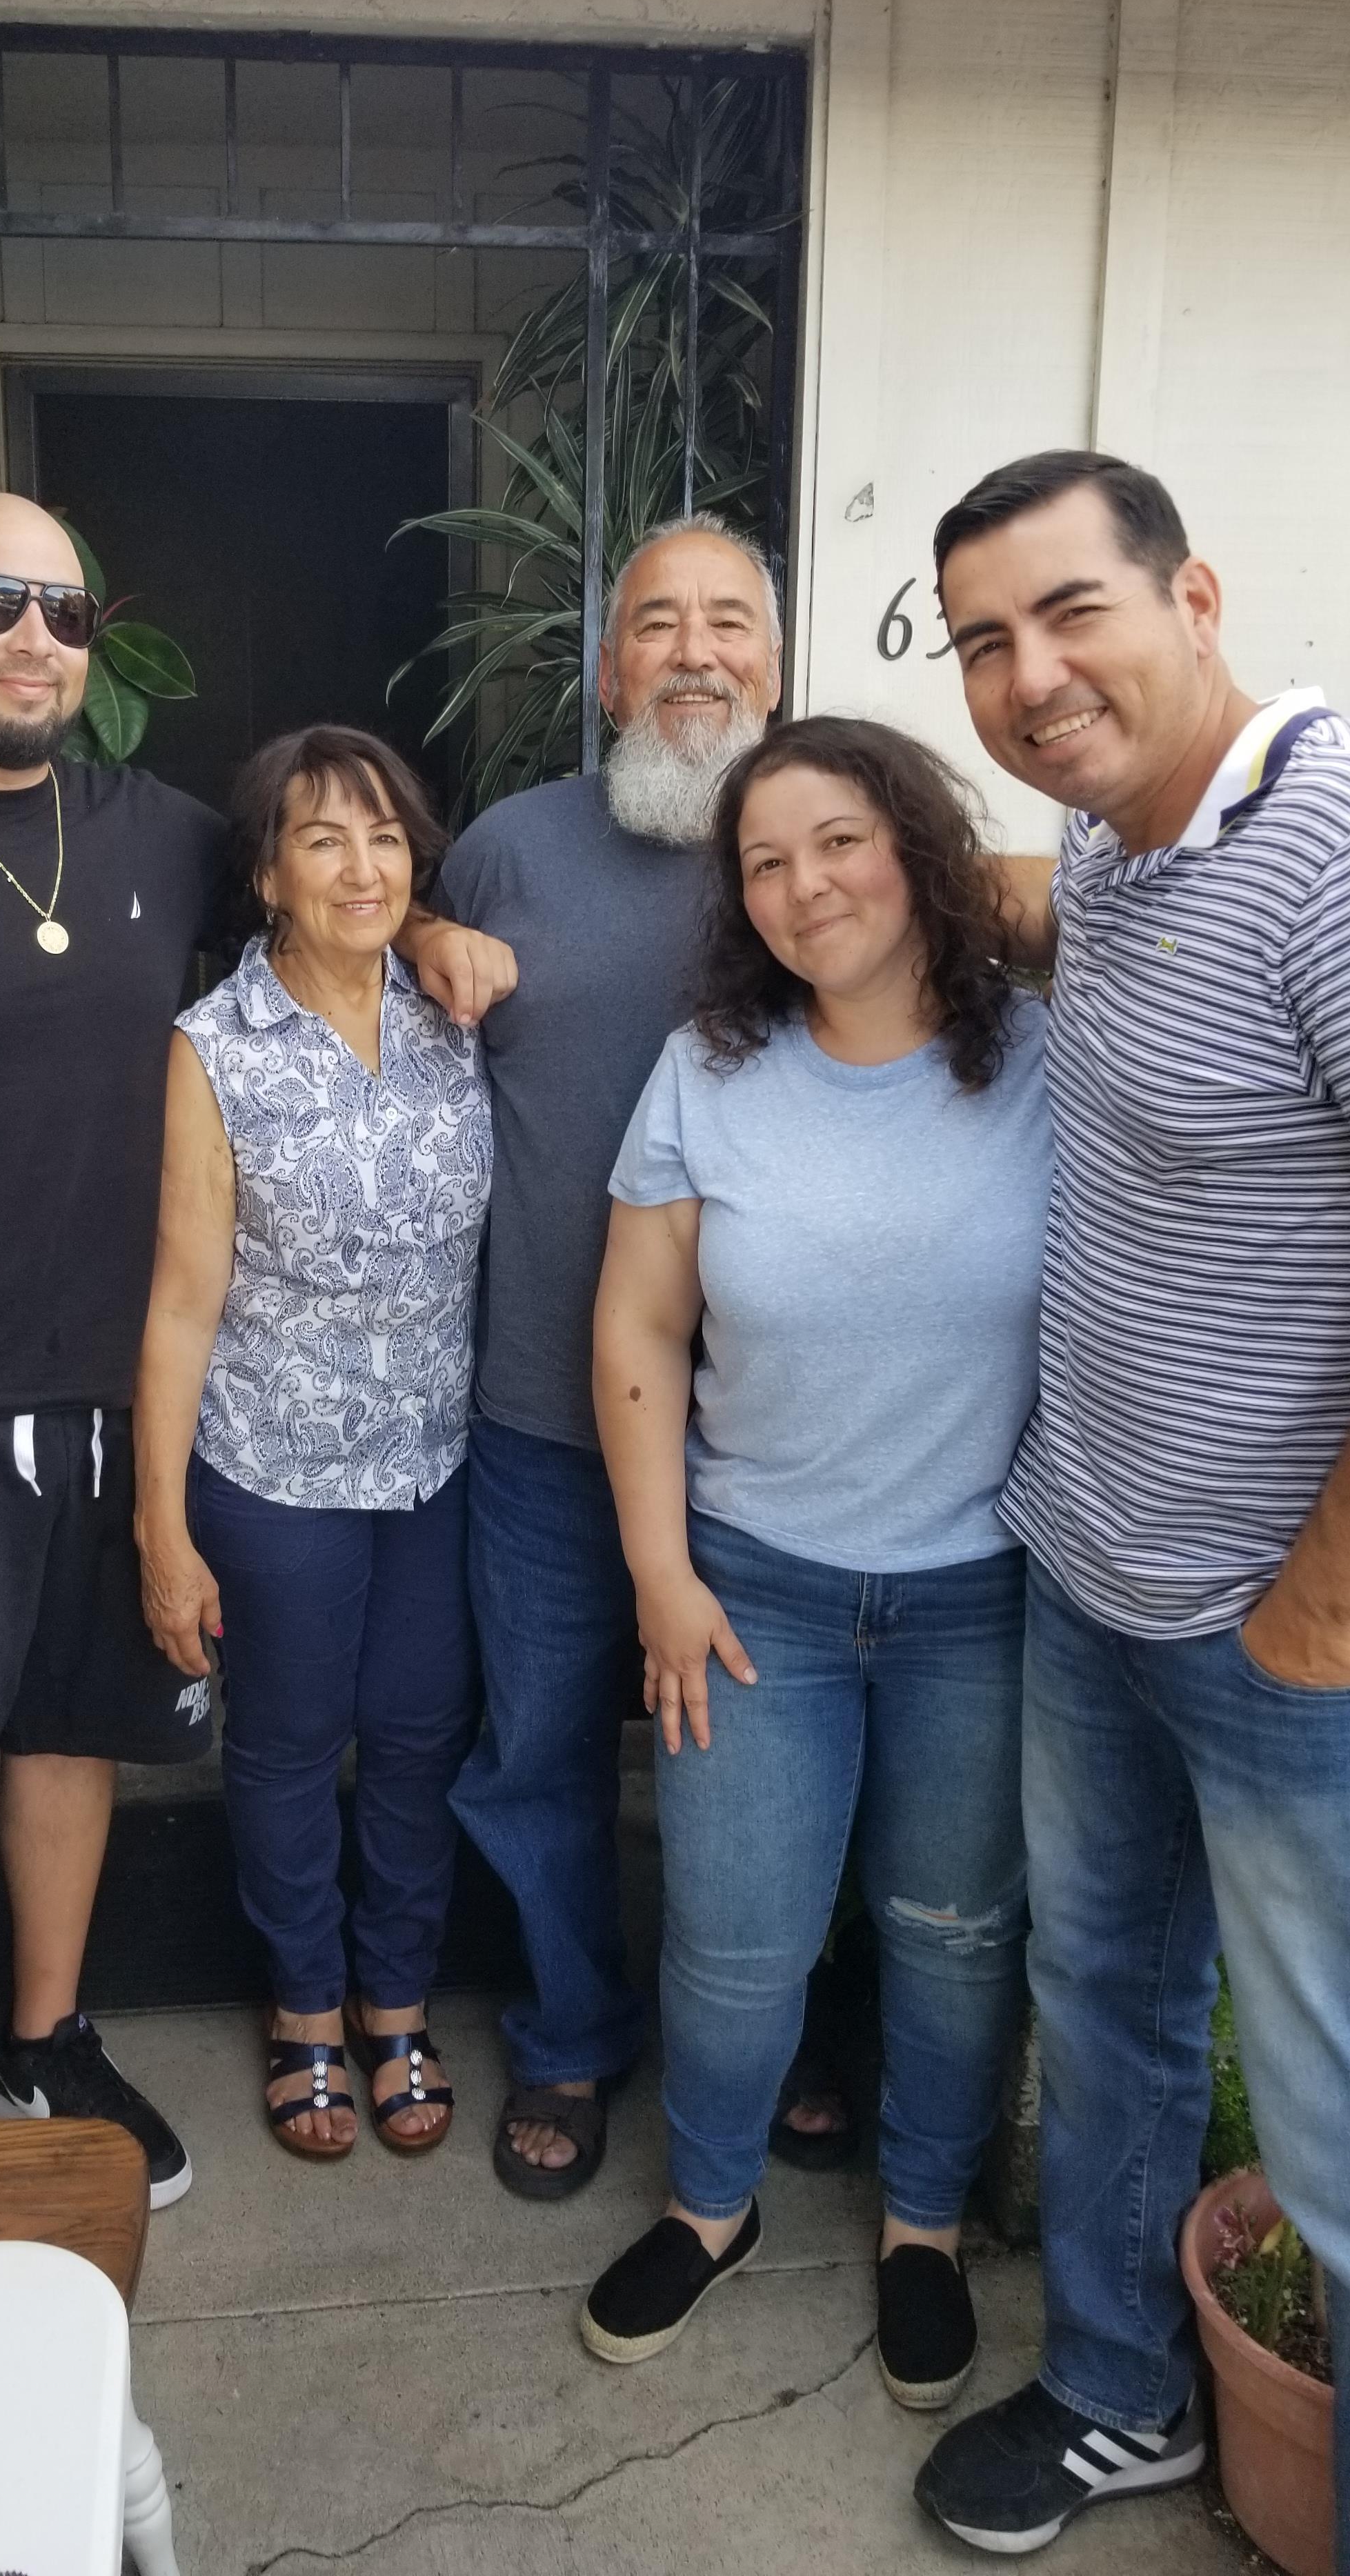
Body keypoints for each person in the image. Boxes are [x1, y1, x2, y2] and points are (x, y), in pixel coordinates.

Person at [0, 495, 512, 2199]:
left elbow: (318, 881)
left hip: (113, 1400)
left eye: (64, 612)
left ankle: (46, 2040)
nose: (33, 640)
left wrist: (420, 928)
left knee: (73, 1735)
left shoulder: (153, 830)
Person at [910, 450, 1350, 2574]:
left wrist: (1327, 1598)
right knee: (1112, 2014)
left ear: (1195, 597)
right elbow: (1084, 952)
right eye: (985, 644)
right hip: (1100, 1572)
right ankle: (1119, 2394)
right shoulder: (1120, 851)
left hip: (1317, 1649)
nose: (1030, 678)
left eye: (1073, 614)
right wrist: (857, 857)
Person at [577, 716, 1051, 2395]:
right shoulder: (708, 1069)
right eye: (766, 861)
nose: (805, 887)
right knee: (733, 1939)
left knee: (953, 1931)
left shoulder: (1049, 1058)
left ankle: (921, 2224)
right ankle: (710, 2207)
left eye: (842, 841)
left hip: (982, 1594)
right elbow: (638, 1328)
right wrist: (662, 1574)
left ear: (919, 847)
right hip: (750, 1585)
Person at [439, 511, 802, 2199]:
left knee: (781, 1759)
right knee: (540, 1750)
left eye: (729, 621)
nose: (694, 652)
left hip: (783, 1428)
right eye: (657, 623)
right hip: (541, 1412)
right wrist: (421, 939)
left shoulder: (833, 847)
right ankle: (571, 2033)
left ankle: (786, 2038)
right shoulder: (506, 850)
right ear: (605, 670)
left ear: (776, 666)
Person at [132, 728, 491, 2160]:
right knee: (287, 1746)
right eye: (324, 839)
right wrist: (162, 1528)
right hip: (276, 1464)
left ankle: (395, 1997)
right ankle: (303, 2007)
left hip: (438, 1461)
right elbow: (180, 1301)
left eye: (386, 837)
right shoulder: (215, 1049)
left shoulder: (454, 1010)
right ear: (270, 873)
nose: (362, 867)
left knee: (418, 1736)